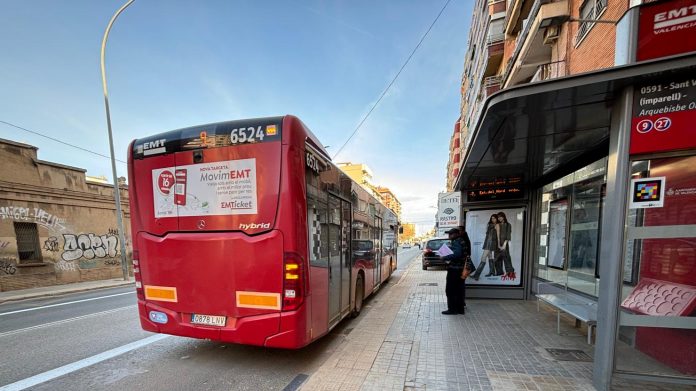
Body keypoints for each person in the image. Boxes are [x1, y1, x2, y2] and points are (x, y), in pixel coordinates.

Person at [439, 227, 470, 315]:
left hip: (455, 270)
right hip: (460, 269)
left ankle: (452, 309)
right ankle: (460, 309)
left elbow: (457, 254)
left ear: (456, 234)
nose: (449, 236)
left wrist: (444, 257)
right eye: (449, 234)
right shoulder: (462, 241)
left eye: (451, 234)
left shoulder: (457, 242)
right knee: (459, 290)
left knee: (450, 290)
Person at [471, 214, 498, 280]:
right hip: (487, 242)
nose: (493, 220)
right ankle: (492, 272)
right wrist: (488, 226)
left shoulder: (497, 225)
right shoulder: (490, 225)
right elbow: (487, 234)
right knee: (490, 256)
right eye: (492, 218)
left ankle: (476, 275)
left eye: (494, 218)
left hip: (491, 243)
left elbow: (498, 236)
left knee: (483, 258)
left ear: (496, 219)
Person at [496, 212, 515, 279]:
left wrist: (504, 244)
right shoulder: (497, 225)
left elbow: (508, 235)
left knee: (506, 258)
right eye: (498, 217)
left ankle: (510, 272)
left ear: (503, 217)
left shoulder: (508, 225)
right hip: (497, 243)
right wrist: (498, 244)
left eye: (500, 216)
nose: (499, 218)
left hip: (504, 243)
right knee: (497, 258)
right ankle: (500, 272)